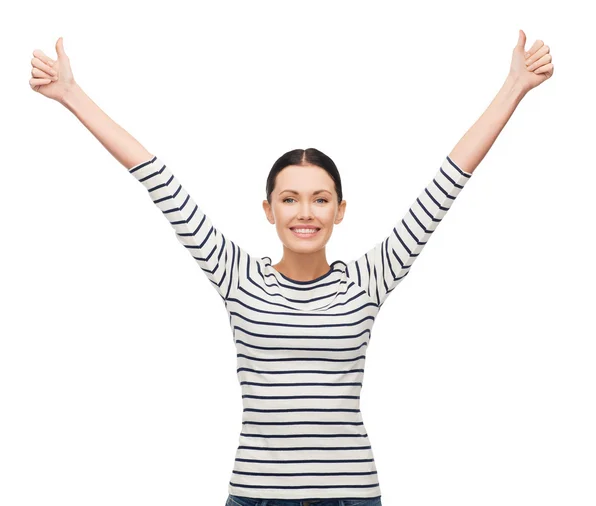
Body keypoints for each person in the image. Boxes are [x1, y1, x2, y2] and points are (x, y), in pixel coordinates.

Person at [29, 30, 553, 506]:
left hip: (350, 495)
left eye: (321, 199)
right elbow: (157, 179)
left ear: (340, 211)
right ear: (269, 210)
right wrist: (72, 95)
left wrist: (514, 86)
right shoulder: (238, 275)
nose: (305, 212)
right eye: (290, 199)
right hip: (256, 496)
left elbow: (448, 181)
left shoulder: (368, 280)